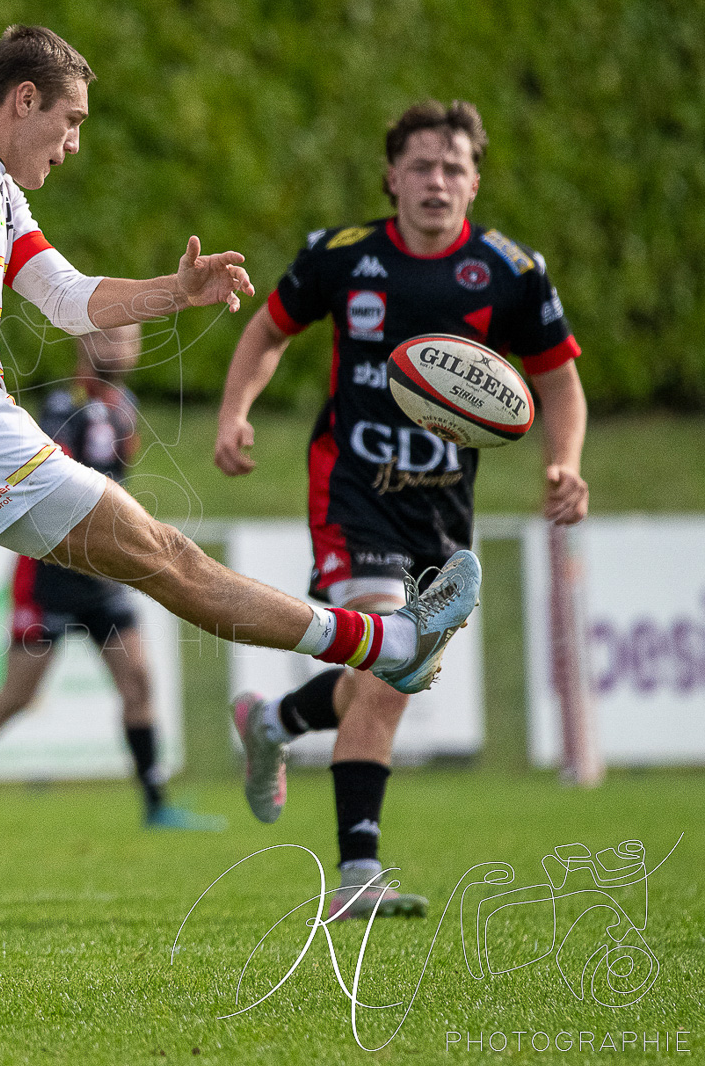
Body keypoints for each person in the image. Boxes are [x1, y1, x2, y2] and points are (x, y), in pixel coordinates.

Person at [0, 25, 481, 997]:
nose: (73, 144)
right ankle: (382, 644)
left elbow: (68, 299)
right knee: (166, 558)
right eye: (68, 122)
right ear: (22, 100)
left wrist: (176, 292)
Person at [215, 99, 587, 920]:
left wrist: (564, 462)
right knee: (391, 666)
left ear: (475, 180)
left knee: (389, 669)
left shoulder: (510, 270)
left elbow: (557, 376)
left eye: (453, 167)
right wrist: (235, 410)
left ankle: (273, 721)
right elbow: (270, 332)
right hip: (352, 493)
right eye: (420, 166)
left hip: (444, 510)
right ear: (392, 177)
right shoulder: (343, 257)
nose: (436, 181)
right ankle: (357, 875)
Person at [0, 326, 222, 833]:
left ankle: (156, 804)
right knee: (17, 696)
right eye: (111, 339)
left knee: (138, 683)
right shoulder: (63, 407)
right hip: (52, 574)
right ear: (86, 344)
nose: (121, 349)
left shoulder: (125, 406)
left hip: (102, 576)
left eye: (129, 340)